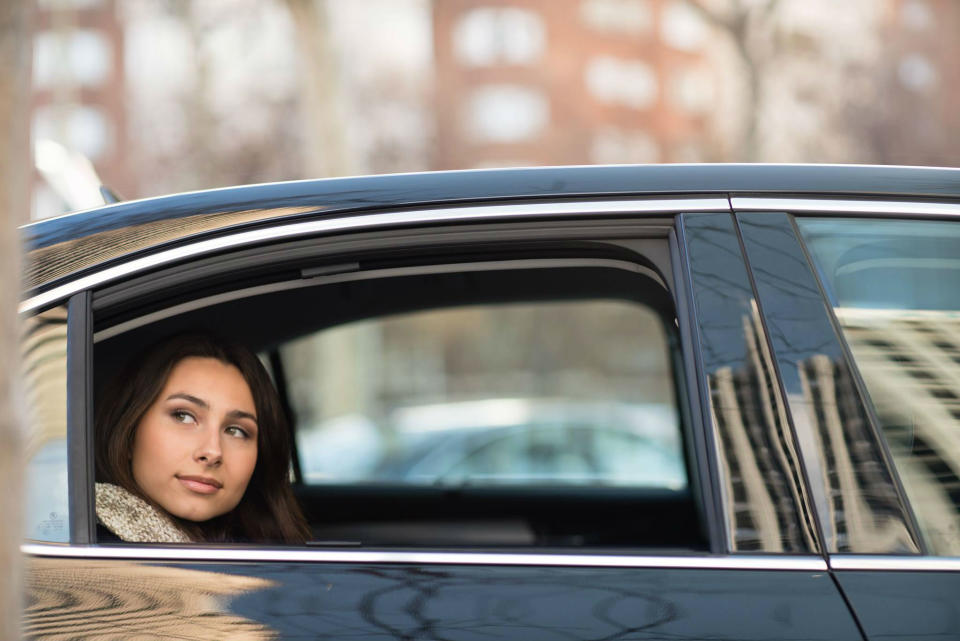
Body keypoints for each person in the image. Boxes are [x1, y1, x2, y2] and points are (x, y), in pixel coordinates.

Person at [94, 333, 310, 544]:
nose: (213, 451)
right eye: (183, 416)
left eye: (236, 431)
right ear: (129, 432)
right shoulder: (87, 553)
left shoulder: (267, 551)